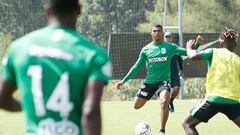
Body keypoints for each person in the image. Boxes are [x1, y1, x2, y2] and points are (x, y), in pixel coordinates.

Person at [0, 0, 112, 135]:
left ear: (47, 10)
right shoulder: (94, 55)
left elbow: (2, 98)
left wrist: (31, 105)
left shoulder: (19, 48)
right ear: (79, 11)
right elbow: (90, 111)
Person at [116, 24, 192, 135]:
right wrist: (123, 81)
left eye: (159, 31)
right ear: (151, 33)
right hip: (149, 82)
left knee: (164, 101)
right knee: (136, 106)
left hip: (163, 82)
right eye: (154, 31)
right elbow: (136, 67)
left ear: (162, 33)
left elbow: (188, 52)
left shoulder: (170, 47)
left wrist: (197, 45)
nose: (156, 33)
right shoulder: (146, 49)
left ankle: (162, 131)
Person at [182, 27, 240, 135]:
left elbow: (193, 56)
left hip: (214, 99)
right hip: (233, 101)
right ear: (235, 44)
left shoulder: (213, 52)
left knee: (187, 124)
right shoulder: (238, 59)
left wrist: (189, 47)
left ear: (220, 42)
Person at [164, 32, 183, 112]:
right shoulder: (162, 48)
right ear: (164, 38)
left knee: (176, 89)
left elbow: (180, 59)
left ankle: (170, 101)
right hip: (164, 74)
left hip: (174, 73)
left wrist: (181, 69)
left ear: (171, 38)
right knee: (165, 92)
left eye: (169, 37)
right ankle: (165, 105)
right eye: (166, 37)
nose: (168, 38)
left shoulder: (175, 48)